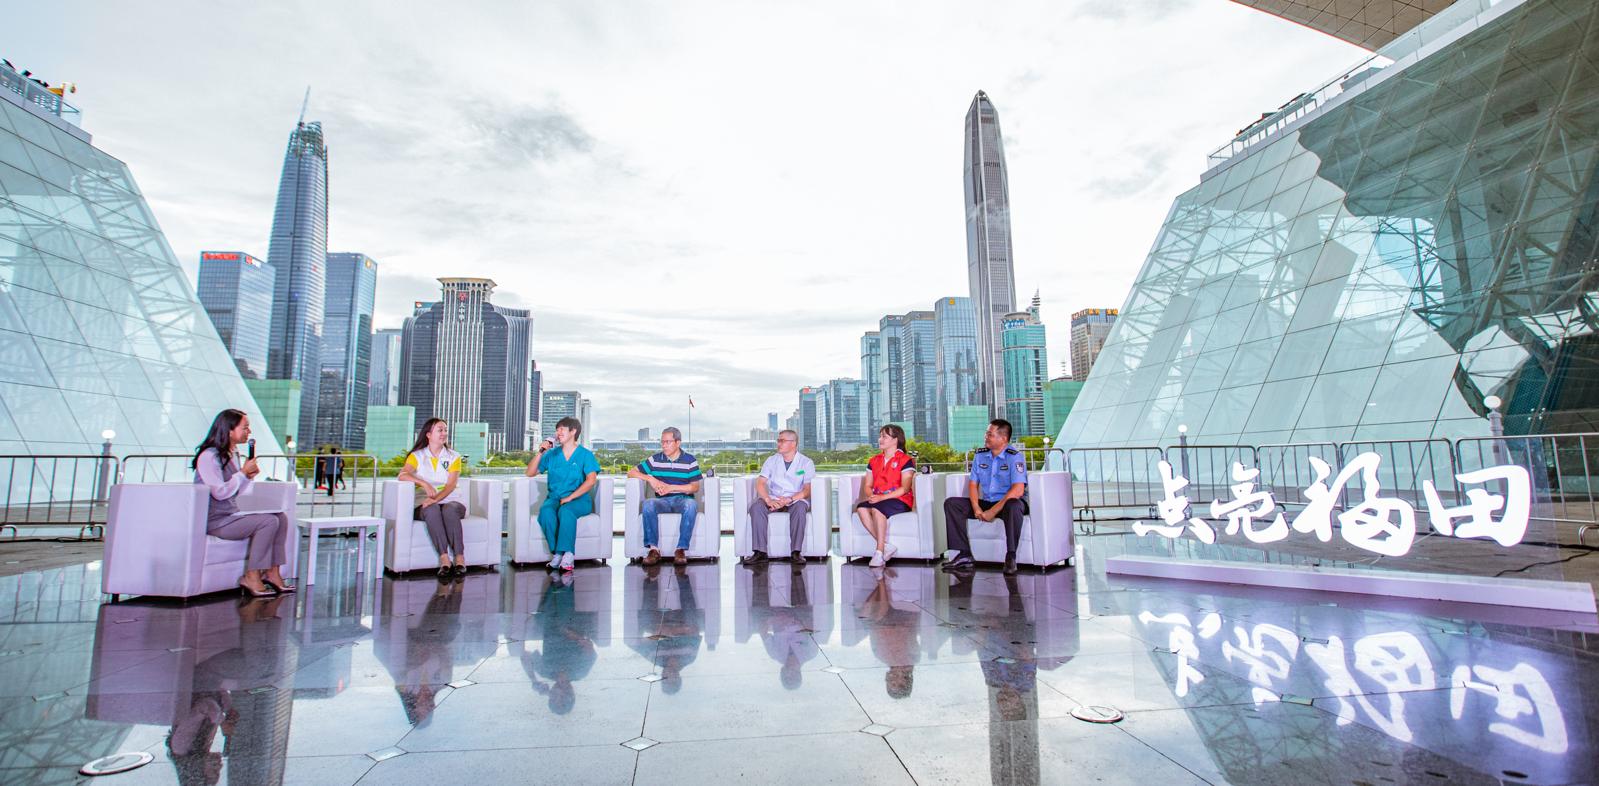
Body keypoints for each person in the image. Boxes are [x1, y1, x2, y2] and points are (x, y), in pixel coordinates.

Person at [191, 409, 294, 596]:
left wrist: (247, 476)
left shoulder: (232, 454)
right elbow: (219, 492)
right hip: (214, 520)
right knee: (268, 521)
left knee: (280, 517)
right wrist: (242, 474)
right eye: (245, 428)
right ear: (229, 430)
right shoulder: (209, 456)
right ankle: (251, 576)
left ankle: (273, 572)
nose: (249, 432)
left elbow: (237, 492)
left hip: (229, 514)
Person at [943, 419, 1030, 575]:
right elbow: (973, 484)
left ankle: (1011, 556)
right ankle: (964, 554)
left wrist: (992, 512)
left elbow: (1017, 490)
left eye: (990, 434)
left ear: (1003, 438)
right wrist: (976, 507)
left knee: (1013, 504)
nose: (985, 437)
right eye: (986, 433)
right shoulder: (980, 455)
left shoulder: (1014, 457)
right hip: (988, 501)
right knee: (952, 504)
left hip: (1008, 503)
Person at [396, 418, 470, 579]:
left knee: (449, 510)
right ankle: (444, 559)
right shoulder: (417, 456)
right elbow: (402, 475)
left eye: (445, 430)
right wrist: (423, 483)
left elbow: (450, 485)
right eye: (440, 430)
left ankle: (459, 558)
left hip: (451, 501)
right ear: (428, 434)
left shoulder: (454, 457)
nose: (444, 433)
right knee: (431, 509)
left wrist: (435, 498)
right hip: (426, 502)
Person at [524, 416, 601, 572]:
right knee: (546, 512)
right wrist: (540, 452)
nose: (557, 433)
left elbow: (591, 481)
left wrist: (570, 497)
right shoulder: (551, 454)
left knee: (566, 511)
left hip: (579, 499)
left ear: (573, 431)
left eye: (561, 429)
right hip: (555, 498)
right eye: (557, 430)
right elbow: (530, 473)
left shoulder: (585, 455)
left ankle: (568, 554)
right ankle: (558, 553)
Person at [627, 427, 702, 566]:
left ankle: (680, 549)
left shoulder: (690, 460)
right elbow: (631, 472)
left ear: (678, 442)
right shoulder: (655, 459)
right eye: (662, 442)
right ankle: (654, 550)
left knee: (691, 505)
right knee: (648, 504)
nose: (664, 445)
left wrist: (671, 487)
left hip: (683, 500)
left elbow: (694, 487)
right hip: (662, 501)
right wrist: (651, 479)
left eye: (668, 442)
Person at [744, 429, 816, 566]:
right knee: (756, 507)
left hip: (795, 500)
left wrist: (789, 499)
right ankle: (760, 553)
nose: (778, 444)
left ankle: (796, 552)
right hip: (774, 498)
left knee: (800, 509)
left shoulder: (806, 463)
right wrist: (768, 500)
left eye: (782, 441)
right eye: (778, 440)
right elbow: (760, 483)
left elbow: (807, 490)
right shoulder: (771, 461)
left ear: (793, 443)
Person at [853, 424, 916, 568]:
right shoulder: (874, 460)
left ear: (895, 440)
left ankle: (879, 552)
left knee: (877, 509)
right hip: (879, 498)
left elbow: (905, 488)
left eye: (884, 437)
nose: (880, 439)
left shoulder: (905, 460)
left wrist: (881, 498)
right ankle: (886, 546)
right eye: (880, 436)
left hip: (900, 499)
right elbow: (868, 485)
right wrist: (872, 496)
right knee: (861, 508)